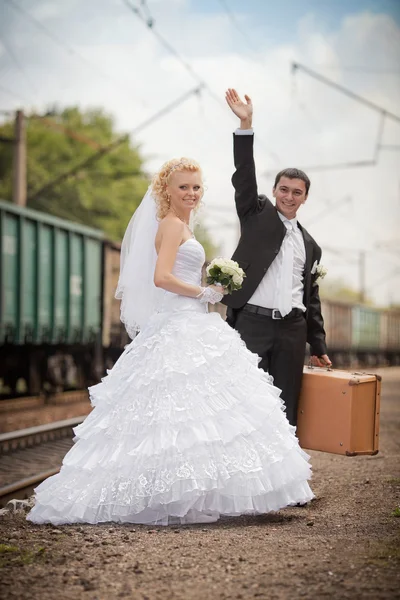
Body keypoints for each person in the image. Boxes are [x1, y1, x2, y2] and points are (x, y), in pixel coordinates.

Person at [27, 157, 314, 527]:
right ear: (167, 190)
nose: (191, 193)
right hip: (180, 320)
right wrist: (203, 292)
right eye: (183, 187)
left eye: (196, 187)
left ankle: (195, 491)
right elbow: (161, 278)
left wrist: (210, 289)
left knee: (200, 413)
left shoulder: (183, 225)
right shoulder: (170, 224)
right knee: (176, 412)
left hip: (193, 321)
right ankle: (173, 494)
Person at [223, 89, 331, 428]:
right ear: (274, 191)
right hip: (251, 324)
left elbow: (311, 299)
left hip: (292, 331)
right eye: (283, 189)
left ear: (305, 198)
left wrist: (318, 343)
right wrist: (246, 123)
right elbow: (243, 175)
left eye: (296, 192)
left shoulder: (310, 245)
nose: (289, 196)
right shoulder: (256, 215)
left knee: (285, 409)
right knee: (243, 403)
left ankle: (278, 480)